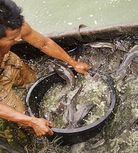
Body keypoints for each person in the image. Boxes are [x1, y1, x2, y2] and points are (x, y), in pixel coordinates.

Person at [0, 0, 90, 137]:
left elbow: (44, 43)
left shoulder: (13, 25)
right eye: (12, 38)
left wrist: (73, 63)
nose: (19, 39)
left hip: (7, 61)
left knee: (33, 81)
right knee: (25, 122)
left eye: (18, 33)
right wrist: (31, 121)